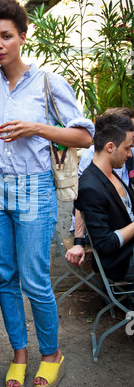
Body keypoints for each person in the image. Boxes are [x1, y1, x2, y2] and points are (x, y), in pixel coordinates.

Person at [0, 0, 95, 387]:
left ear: (23, 36)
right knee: (5, 277)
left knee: (33, 277)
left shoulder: (47, 80)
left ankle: (51, 354)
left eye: (6, 36)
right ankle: (19, 353)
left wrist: (36, 128)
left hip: (33, 187)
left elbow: (84, 134)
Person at [66, 107, 134, 267]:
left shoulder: (109, 171)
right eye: (127, 148)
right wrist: (78, 241)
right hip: (122, 260)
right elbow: (105, 244)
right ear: (110, 147)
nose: (130, 153)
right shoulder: (90, 186)